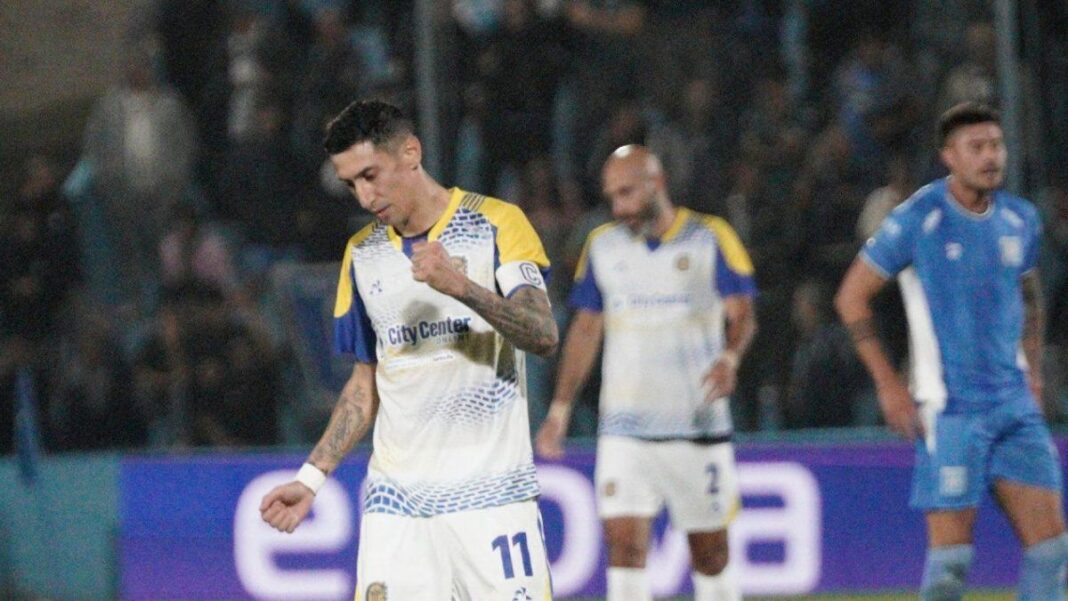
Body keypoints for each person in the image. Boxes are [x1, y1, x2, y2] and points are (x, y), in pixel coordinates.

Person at [258, 100, 559, 600]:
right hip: (397, 503)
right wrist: (312, 477)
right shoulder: (363, 256)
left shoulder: (496, 224)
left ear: (411, 153)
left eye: (371, 175)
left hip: (492, 498)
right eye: (351, 183)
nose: (364, 194)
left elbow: (543, 334)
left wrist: (462, 287)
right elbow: (363, 384)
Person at [835, 102, 1068, 600]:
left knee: (1051, 551)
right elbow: (851, 296)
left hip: (1015, 407)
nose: (990, 157)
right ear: (949, 157)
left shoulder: (1020, 219)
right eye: (976, 148)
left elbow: (1029, 297)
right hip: (951, 410)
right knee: (950, 568)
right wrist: (889, 384)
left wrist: (1034, 371)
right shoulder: (919, 218)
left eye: (996, 145)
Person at [536, 145, 756, 601]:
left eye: (626, 194)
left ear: (656, 184)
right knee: (624, 547)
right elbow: (585, 329)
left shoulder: (710, 236)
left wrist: (730, 358)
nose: (618, 208)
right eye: (611, 197)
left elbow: (743, 313)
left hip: (697, 426)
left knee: (711, 553)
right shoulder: (603, 246)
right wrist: (560, 409)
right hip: (624, 429)